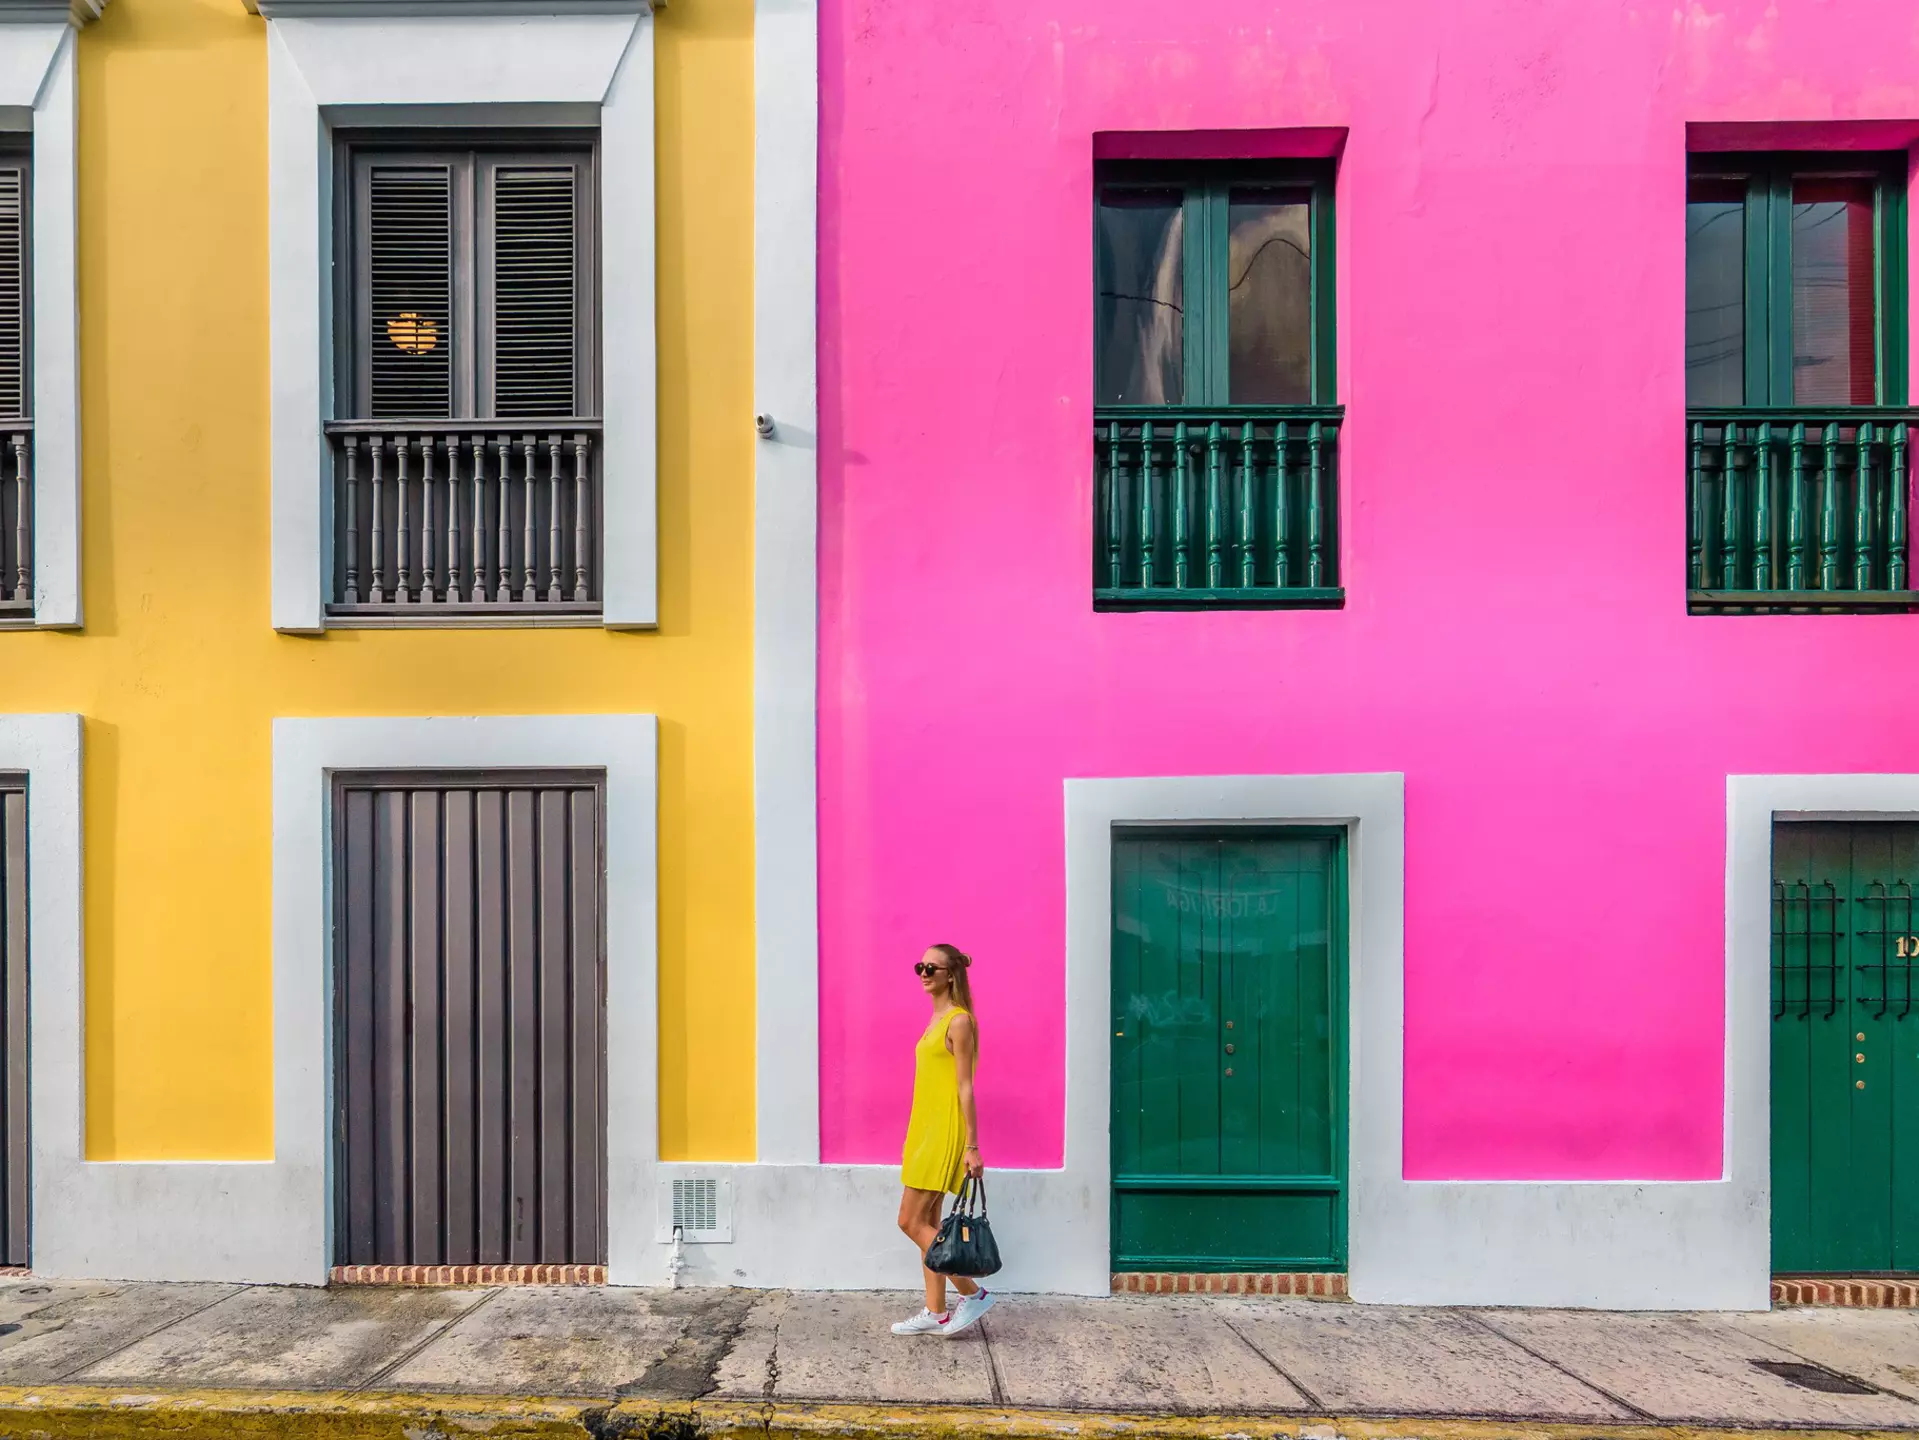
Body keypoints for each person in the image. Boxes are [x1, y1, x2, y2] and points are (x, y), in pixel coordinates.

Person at [891, 943, 994, 1337]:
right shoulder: (936, 1021)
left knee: (909, 1221)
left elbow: (966, 1087)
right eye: (920, 966)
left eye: (932, 967)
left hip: (943, 1132)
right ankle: (935, 1311)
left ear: (951, 974)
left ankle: (974, 1293)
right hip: (923, 1129)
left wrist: (972, 1146)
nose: (923, 972)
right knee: (929, 1222)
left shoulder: (958, 1021)